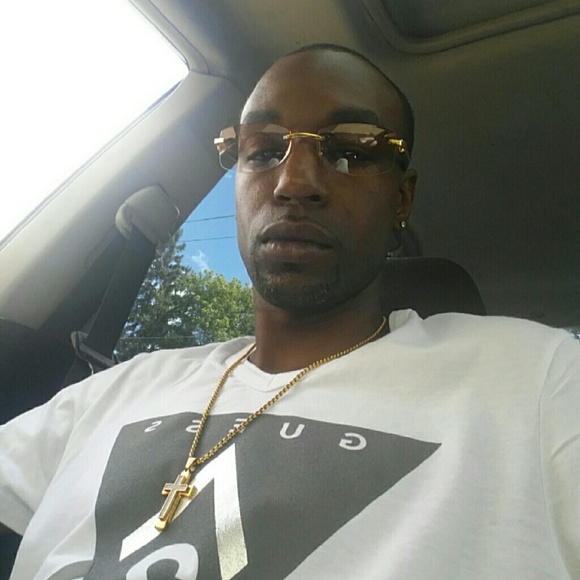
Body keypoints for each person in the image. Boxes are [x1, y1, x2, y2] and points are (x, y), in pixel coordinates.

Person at [1, 44, 579, 580]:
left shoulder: (536, 379)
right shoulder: (116, 391)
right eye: (262, 149)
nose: (294, 182)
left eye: (351, 151)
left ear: (401, 199)